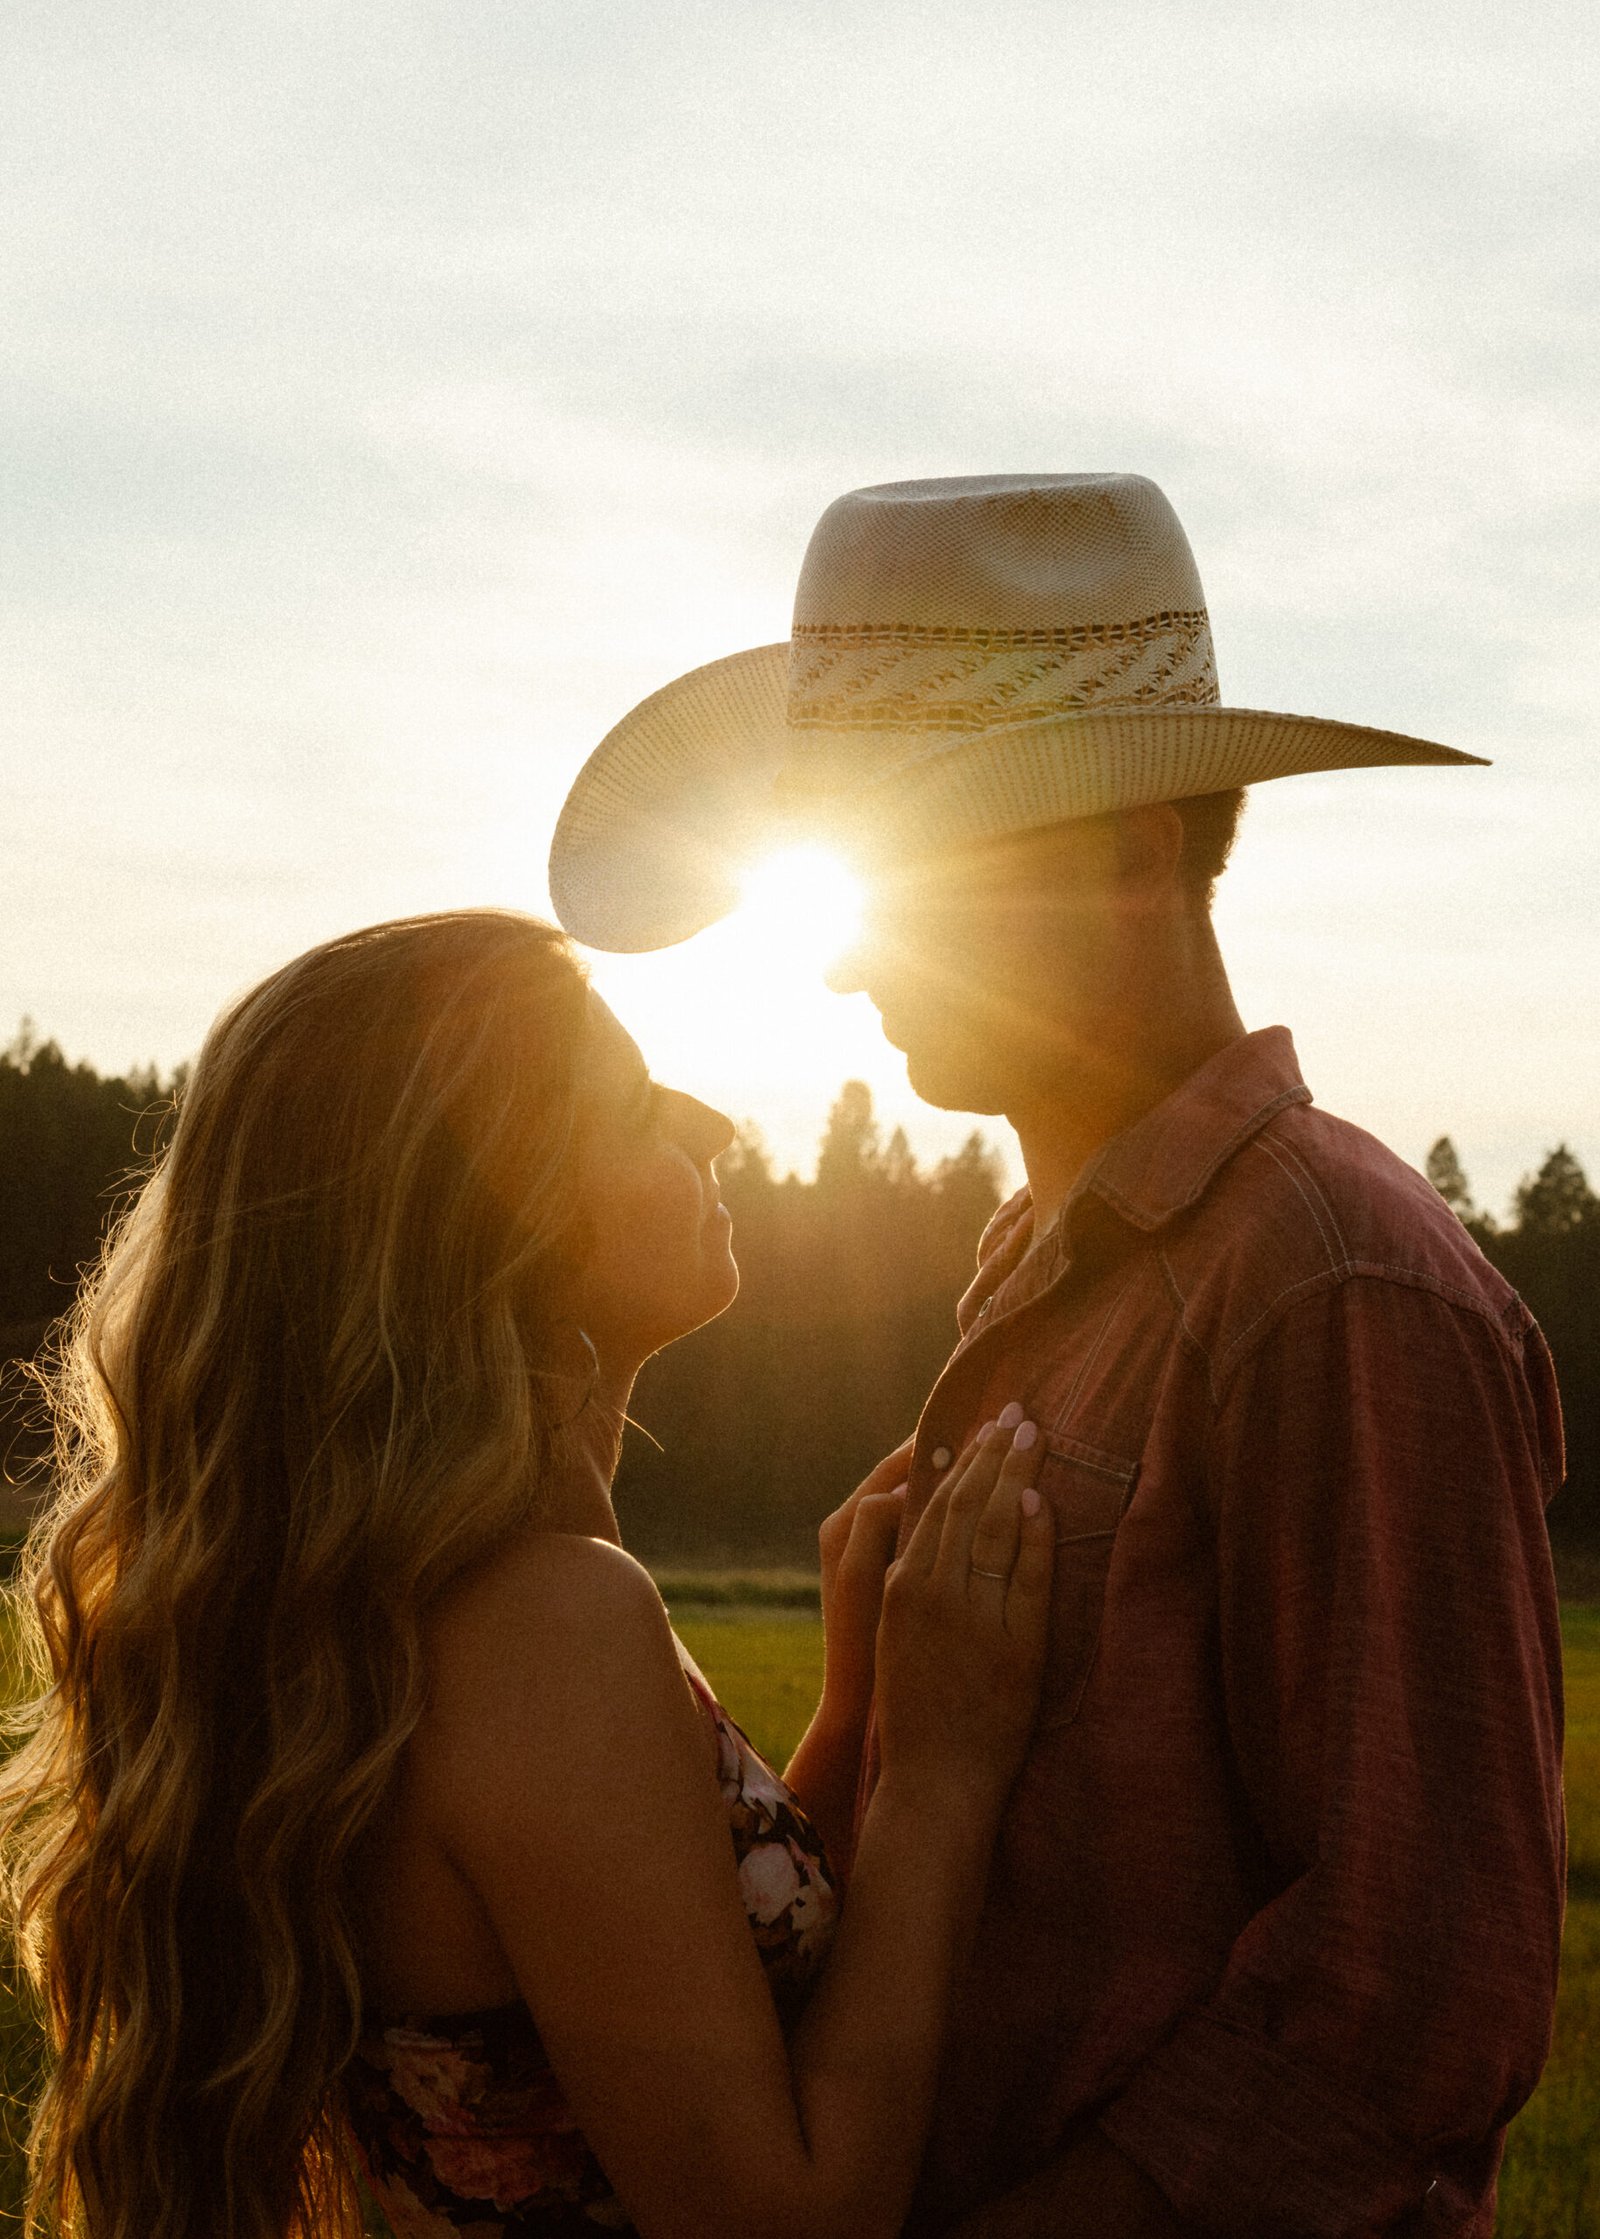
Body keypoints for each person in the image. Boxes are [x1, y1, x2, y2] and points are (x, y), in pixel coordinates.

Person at [548, 474, 1567, 2237]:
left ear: (1135, 852)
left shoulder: (1333, 1284)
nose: (852, 954)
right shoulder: (1049, 1260)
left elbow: (1408, 1995)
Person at [0, 907, 1059, 2239]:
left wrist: (855, 1708)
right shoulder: (546, 1624)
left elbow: (666, 1986)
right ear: (487, 1215)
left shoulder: (452, 1609)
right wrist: (947, 1774)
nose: (715, 1129)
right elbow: (790, 2221)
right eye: (630, 1111)